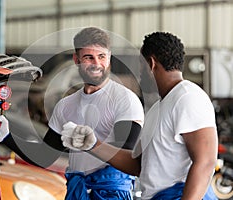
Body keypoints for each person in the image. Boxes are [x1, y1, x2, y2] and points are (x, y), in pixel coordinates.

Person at [0, 27, 145, 200]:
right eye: (89, 57)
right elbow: (45, 155)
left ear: (109, 57)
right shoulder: (66, 106)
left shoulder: (125, 100)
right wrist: (6, 136)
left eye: (101, 57)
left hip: (112, 193)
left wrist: (91, 145)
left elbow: (124, 154)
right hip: (77, 192)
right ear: (76, 60)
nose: (96, 64)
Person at [60, 32, 218, 200]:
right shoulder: (158, 108)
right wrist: (93, 144)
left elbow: (206, 162)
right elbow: (139, 165)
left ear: (151, 63)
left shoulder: (188, 97)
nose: (139, 73)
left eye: (140, 66)